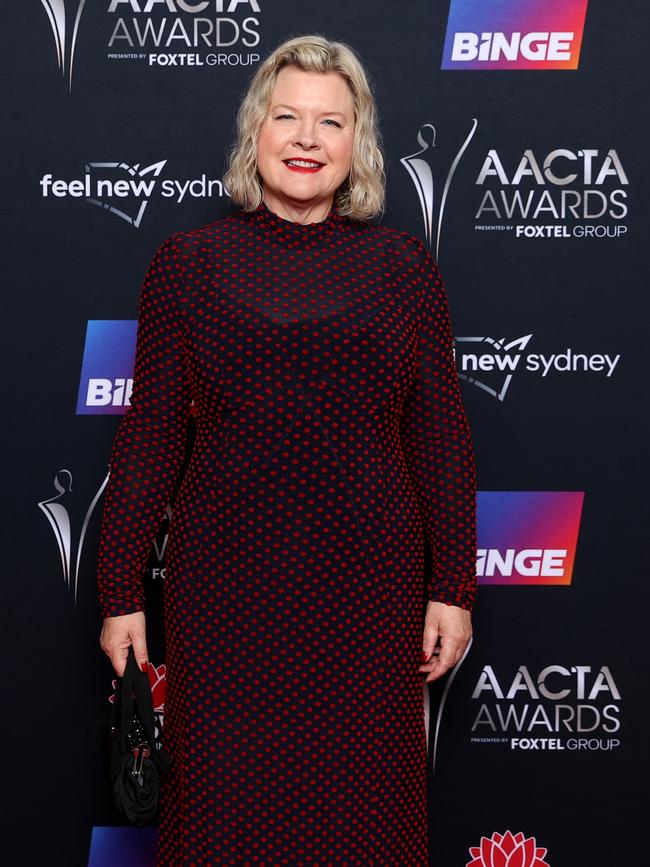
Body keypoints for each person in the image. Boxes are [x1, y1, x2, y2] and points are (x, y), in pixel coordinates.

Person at [97, 33, 477, 866]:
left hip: (369, 593)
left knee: (363, 816)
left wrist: (453, 584)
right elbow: (150, 434)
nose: (307, 138)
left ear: (356, 145)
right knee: (223, 814)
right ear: (255, 135)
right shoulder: (187, 265)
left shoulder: (405, 268)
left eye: (331, 122)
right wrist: (121, 587)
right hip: (226, 593)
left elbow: (441, 437)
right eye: (287, 117)